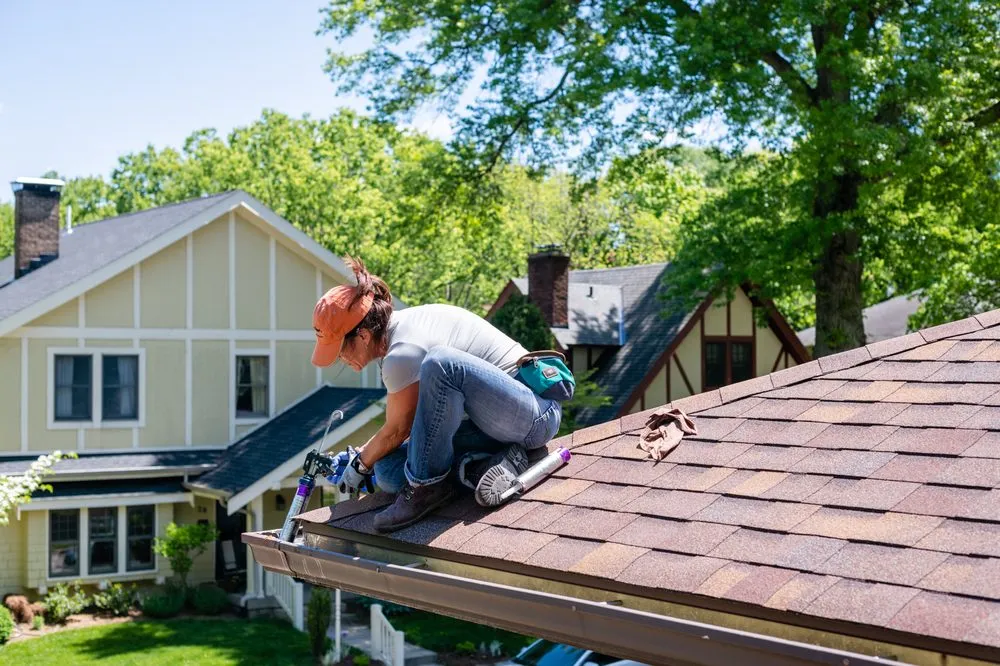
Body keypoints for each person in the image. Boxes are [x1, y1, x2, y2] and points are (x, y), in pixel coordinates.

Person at [311, 257, 563, 533]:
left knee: (442, 363)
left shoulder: (403, 350)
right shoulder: (394, 343)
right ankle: (486, 464)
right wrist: (366, 457)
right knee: (387, 469)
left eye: (340, 350)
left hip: (534, 413)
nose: (340, 359)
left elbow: (398, 429)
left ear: (362, 335)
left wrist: (359, 466)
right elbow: (414, 424)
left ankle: (425, 488)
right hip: (493, 427)